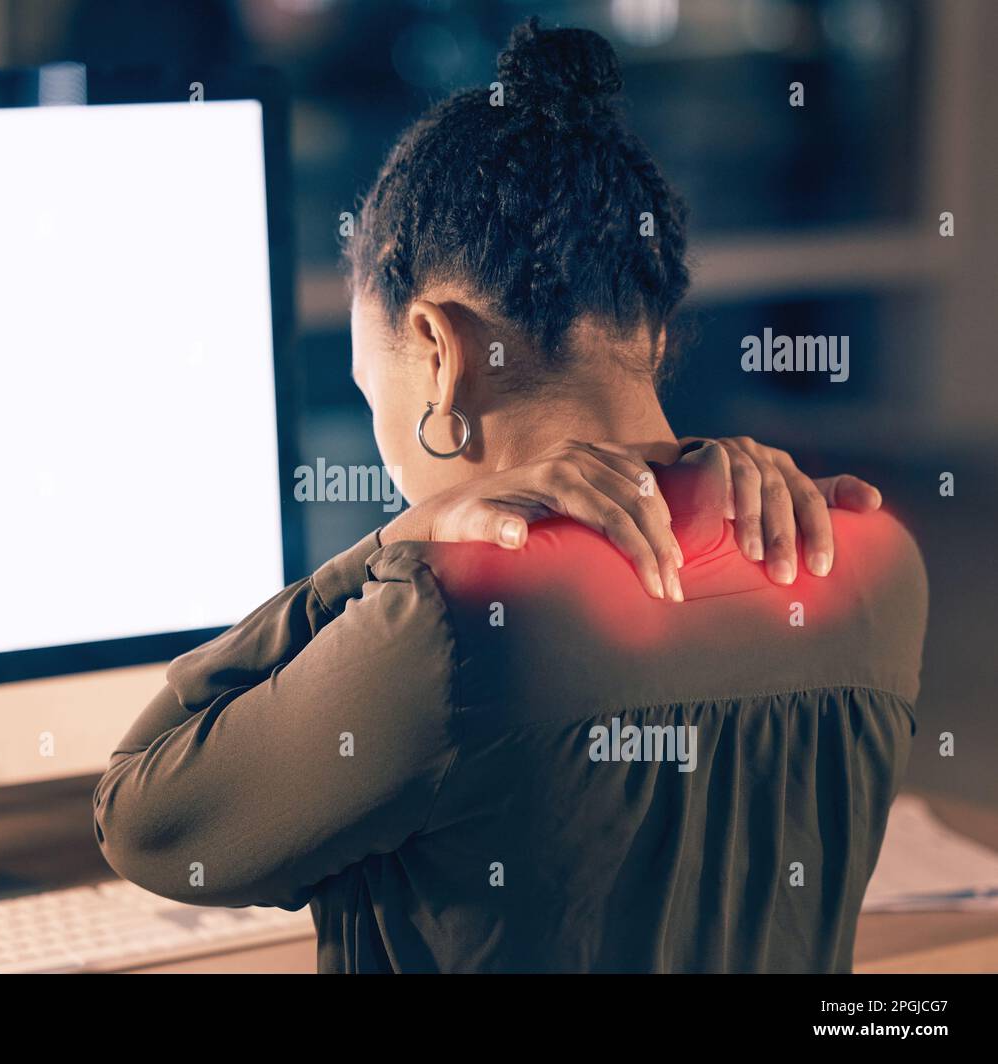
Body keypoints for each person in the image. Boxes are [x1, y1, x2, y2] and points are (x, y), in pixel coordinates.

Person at [94, 20, 927, 973]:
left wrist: (393, 545)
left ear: (442, 355)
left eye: (378, 389)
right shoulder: (868, 559)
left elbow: (146, 818)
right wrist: (697, 461)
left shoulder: (453, 619)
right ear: (650, 333)